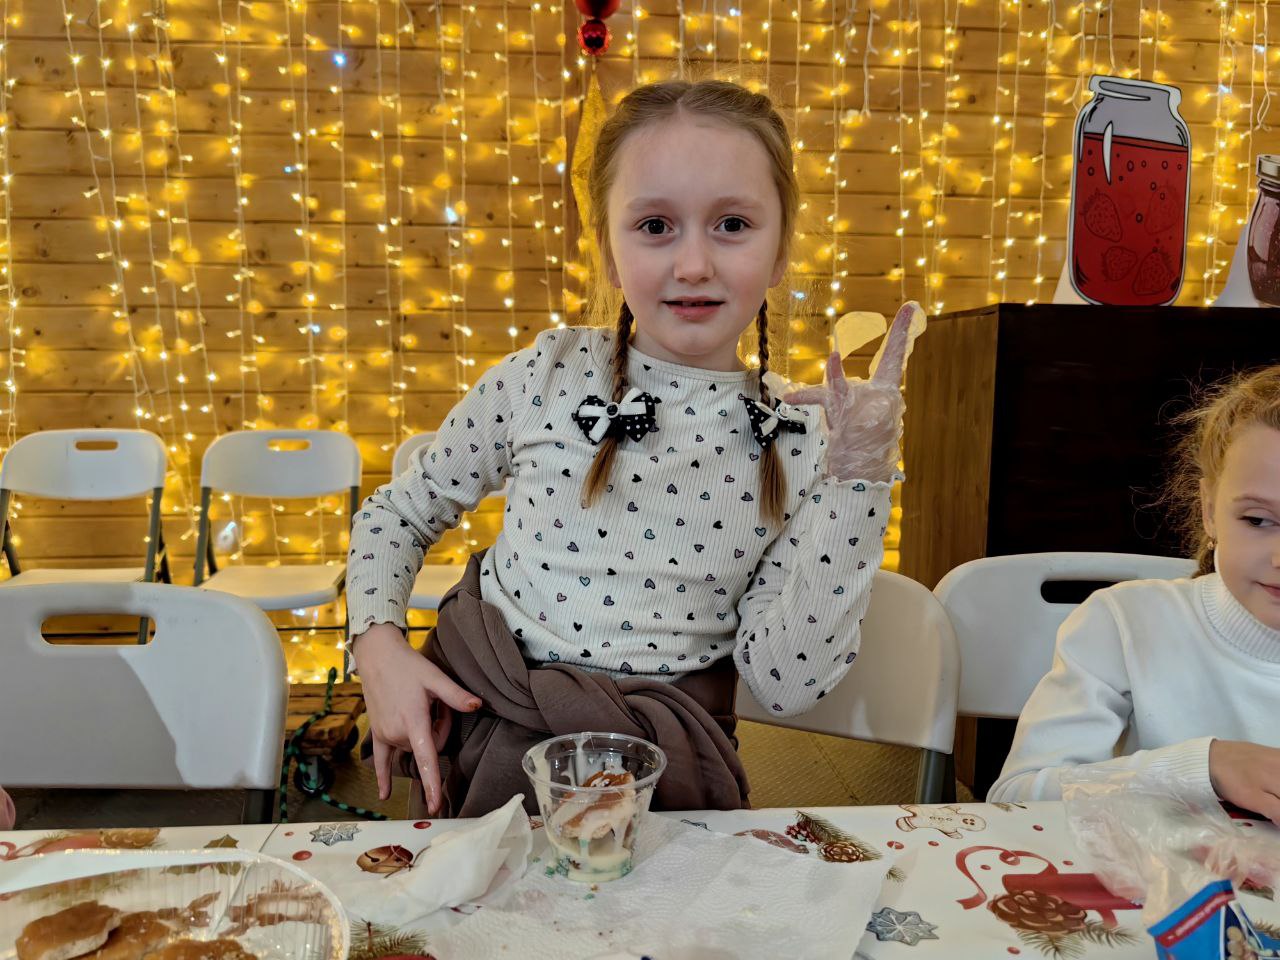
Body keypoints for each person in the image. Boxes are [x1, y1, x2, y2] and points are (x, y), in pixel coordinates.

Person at [346, 78, 915, 817]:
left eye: (733, 224)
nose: (693, 264)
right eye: (654, 225)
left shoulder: (799, 435)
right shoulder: (542, 375)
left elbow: (786, 684)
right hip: (491, 752)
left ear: (780, 251)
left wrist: (857, 479)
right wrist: (378, 649)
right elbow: (396, 516)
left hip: (668, 776)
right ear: (609, 253)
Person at [989, 365, 1280, 823]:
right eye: (1257, 520)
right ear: (1209, 510)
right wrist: (1205, 767)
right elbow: (1016, 798)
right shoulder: (1124, 623)